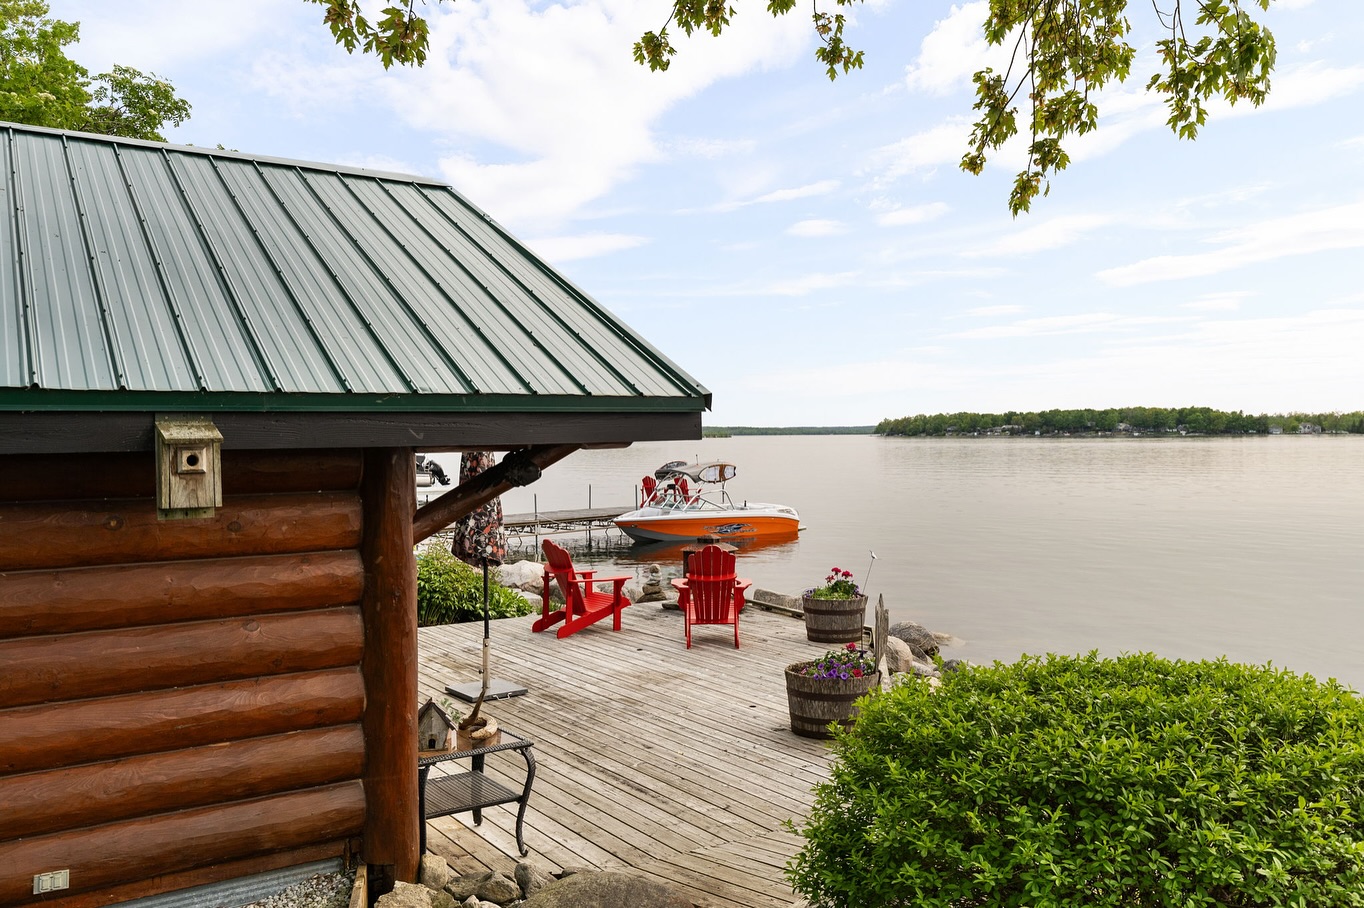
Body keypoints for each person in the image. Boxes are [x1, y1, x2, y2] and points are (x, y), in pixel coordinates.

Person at [451, 452, 506, 566]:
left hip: (477, 501)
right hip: (480, 501)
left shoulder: (473, 454)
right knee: (483, 493)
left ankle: (476, 544)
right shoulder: (480, 454)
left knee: (482, 496)